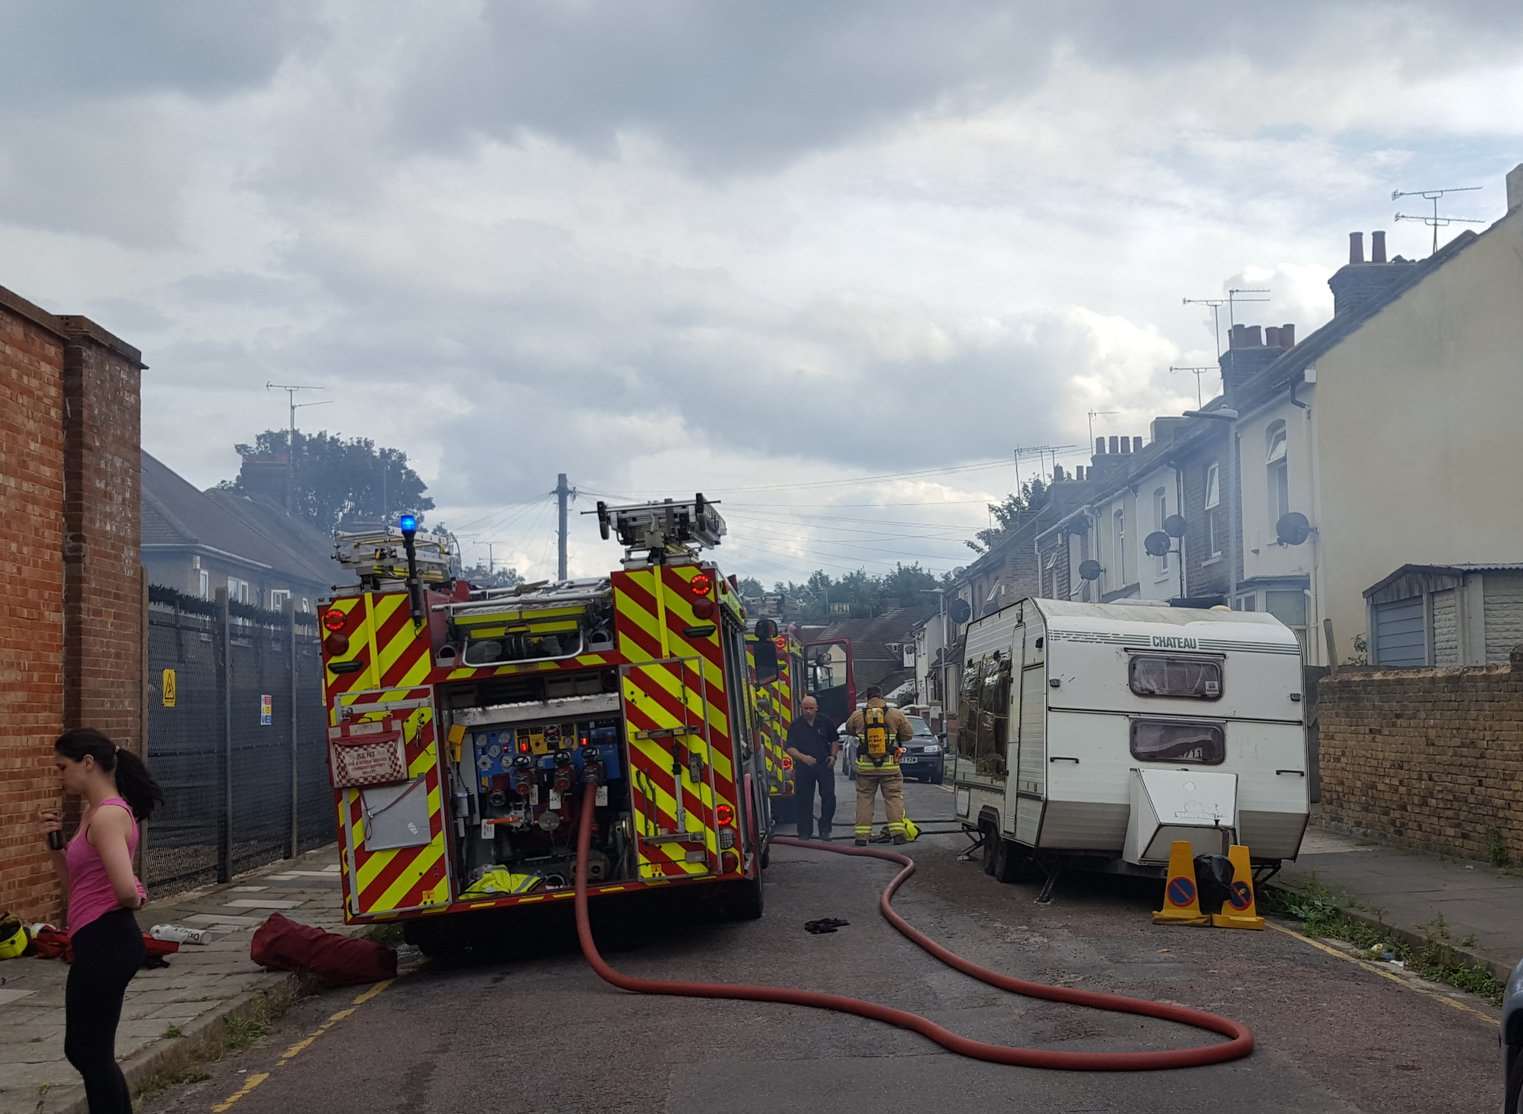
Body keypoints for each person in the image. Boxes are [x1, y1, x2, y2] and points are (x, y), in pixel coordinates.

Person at [40, 729, 163, 1114]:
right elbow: (76, 887)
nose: (60, 777)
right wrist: (56, 847)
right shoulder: (95, 813)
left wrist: (137, 896)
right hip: (96, 938)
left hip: (108, 940)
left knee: (88, 1051)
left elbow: (126, 889)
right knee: (86, 1050)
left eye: (63, 767)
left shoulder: (109, 814)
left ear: (88, 763)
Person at [843, 687, 914, 846]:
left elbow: (848, 729)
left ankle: (861, 837)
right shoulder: (896, 714)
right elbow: (908, 735)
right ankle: (898, 834)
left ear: (867, 698)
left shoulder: (857, 715)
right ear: (881, 696)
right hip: (890, 766)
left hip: (865, 767)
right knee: (893, 798)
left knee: (864, 799)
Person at [785, 696, 838, 840]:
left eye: (811, 708)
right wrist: (803, 758)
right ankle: (804, 832)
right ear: (801, 709)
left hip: (824, 764)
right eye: (805, 708)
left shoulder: (825, 722)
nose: (808, 711)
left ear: (816, 708)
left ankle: (825, 829)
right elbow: (789, 747)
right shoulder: (796, 725)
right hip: (804, 766)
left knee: (828, 797)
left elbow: (834, 740)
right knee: (803, 800)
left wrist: (833, 756)